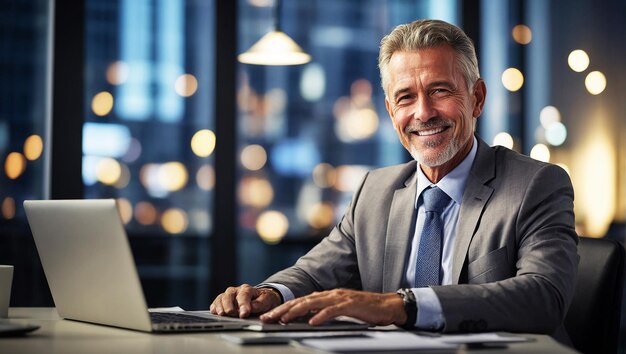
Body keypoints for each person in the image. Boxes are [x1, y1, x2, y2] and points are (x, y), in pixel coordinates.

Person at [210, 19, 578, 343]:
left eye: (440, 91)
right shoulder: (376, 190)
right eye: (406, 97)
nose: (423, 113)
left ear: (477, 98)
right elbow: (314, 272)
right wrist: (270, 294)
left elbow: (544, 296)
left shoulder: (536, 184)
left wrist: (399, 305)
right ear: (390, 111)